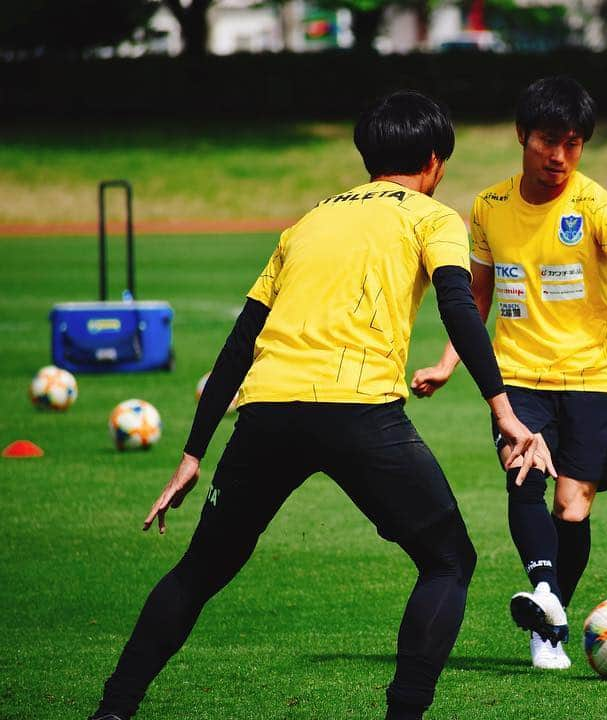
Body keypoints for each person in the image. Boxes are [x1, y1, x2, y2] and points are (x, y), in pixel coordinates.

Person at [87, 90, 553, 720]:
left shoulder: (307, 221)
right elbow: (457, 302)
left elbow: (240, 341)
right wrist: (502, 408)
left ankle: (113, 711)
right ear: (436, 161)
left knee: (199, 572)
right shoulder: (433, 217)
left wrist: (193, 454)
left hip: (267, 413)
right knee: (448, 561)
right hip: (359, 410)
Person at [411, 76, 607, 669]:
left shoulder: (596, 206)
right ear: (521, 137)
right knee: (522, 475)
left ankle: (550, 617)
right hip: (518, 378)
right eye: (547, 141)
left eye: (573, 143)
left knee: (573, 509)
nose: (559, 156)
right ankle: (543, 599)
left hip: (590, 379)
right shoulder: (489, 206)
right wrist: (448, 363)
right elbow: (475, 301)